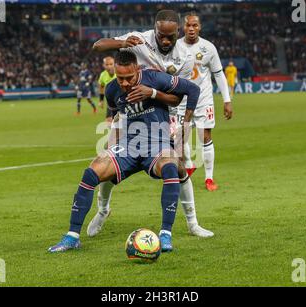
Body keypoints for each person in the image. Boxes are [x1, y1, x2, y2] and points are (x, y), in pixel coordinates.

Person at [48, 50, 200, 253]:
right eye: (121, 78)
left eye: (129, 78)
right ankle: (72, 236)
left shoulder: (154, 78)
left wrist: (184, 123)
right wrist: (111, 143)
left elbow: (192, 89)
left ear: (137, 69)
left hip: (157, 143)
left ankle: (165, 234)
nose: (125, 83)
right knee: (92, 171)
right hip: (128, 146)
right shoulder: (112, 89)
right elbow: (114, 113)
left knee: (171, 167)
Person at [91, 9, 214, 238]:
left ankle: (192, 223)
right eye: (161, 35)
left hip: (166, 114)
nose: (165, 40)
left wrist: (154, 94)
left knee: (181, 163)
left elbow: (177, 96)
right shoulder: (139, 41)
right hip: (128, 115)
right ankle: (102, 210)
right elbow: (98, 46)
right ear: (154, 29)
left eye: (170, 36)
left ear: (178, 32)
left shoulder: (185, 56)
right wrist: (122, 42)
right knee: (107, 159)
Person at [178, 12, 233, 191]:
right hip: (181, 100)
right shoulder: (175, 46)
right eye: (188, 25)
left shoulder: (208, 48)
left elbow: (218, 74)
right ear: (183, 27)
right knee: (179, 137)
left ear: (200, 27)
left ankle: (209, 178)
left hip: (203, 99)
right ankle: (188, 165)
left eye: (195, 25)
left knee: (205, 136)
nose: (192, 29)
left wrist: (227, 100)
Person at [98, 56, 117, 125]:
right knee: (108, 122)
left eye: (111, 64)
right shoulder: (103, 75)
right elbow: (101, 87)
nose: (109, 66)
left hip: (122, 99)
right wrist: (101, 100)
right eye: (107, 64)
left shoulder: (120, 72)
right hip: (111, 101)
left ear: (115, 64)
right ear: (103, 65)